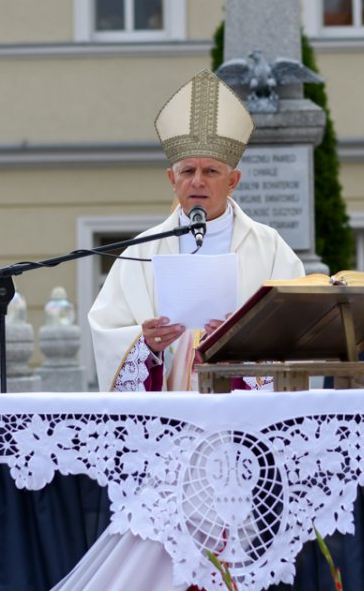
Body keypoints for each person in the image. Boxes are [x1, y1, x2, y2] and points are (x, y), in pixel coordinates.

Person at [89, 68, 304, 392]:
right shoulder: (143, 250)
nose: (198, 181)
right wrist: (144, 344)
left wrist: (241, 344)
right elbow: (107, 329)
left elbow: (296, 330)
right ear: (172, 180)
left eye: (211, 171)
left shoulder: (269, 248)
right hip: (167, 412)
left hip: (241, 415)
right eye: (187, 170)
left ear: (233, 181)